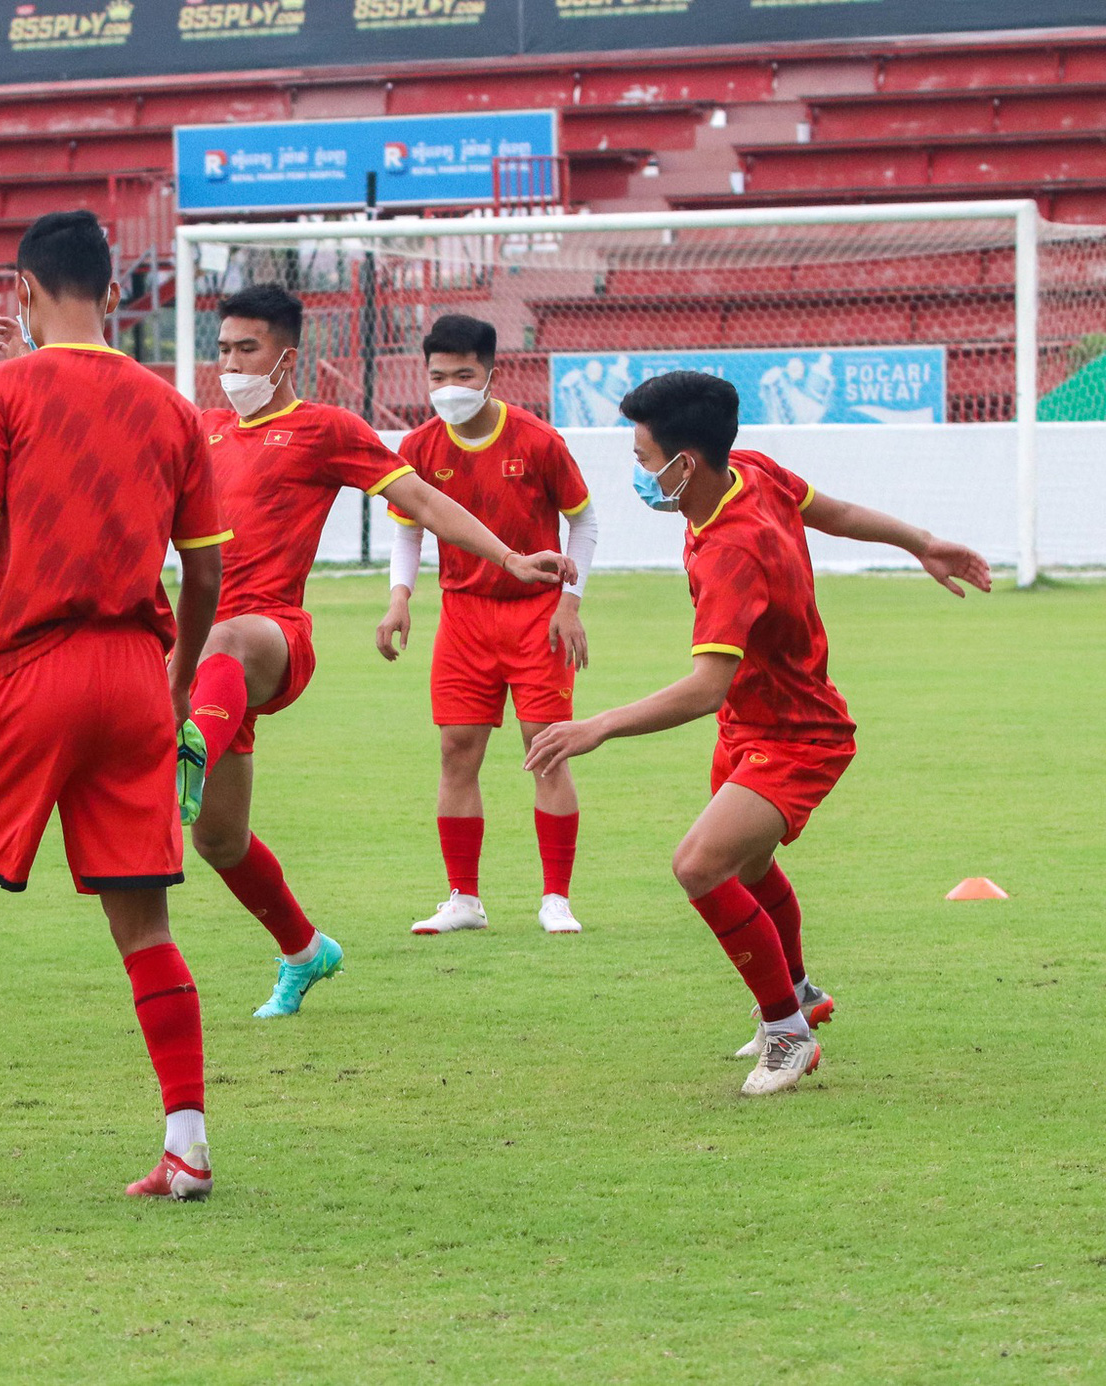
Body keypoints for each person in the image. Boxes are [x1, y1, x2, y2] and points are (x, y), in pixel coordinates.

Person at [522, 370, 990, 1096]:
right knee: (745, 866)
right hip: (753, 723)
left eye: (645, 460)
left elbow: (707, 686)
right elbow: (832, 512)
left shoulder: (730, 550)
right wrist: (920, 541)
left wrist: (599, 726)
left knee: (697, 866)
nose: (639, 474)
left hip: (798, 735)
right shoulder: (753, 473)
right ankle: (798, 994)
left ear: (687, 464)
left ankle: (787, 1033)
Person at [0, 210, 227, 1200]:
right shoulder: (171, 407)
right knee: (144, 924)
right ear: (112, 295)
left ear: (22, 293)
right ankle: (186, 1146)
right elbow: (204, 572)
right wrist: (174, 680)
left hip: (34, 669)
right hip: (134, 674)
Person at [176, 286, 575, 1020]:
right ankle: (304, 950)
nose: (229, 363)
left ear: (287, 356)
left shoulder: (324, 428)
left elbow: (423, 503)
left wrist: (512, 557)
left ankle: (183, 752)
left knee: (230, 635)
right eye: (223, 349)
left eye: (246, 349)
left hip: (272, 638)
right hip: (203, 666)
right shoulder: (195, 430)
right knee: (219, 840)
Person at [377, 315, 600, 937]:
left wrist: (569, 601)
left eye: (463, 375)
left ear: (491, 376)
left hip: (536, 619)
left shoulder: (537, 439)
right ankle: (463, 899)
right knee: (456, 752)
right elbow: (408, 529)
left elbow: (584, 522)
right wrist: (400, 599)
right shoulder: (419, 445)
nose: (449, 387)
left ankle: (556, 897)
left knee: (547, 749)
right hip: (463, 617)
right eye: (437, 375)